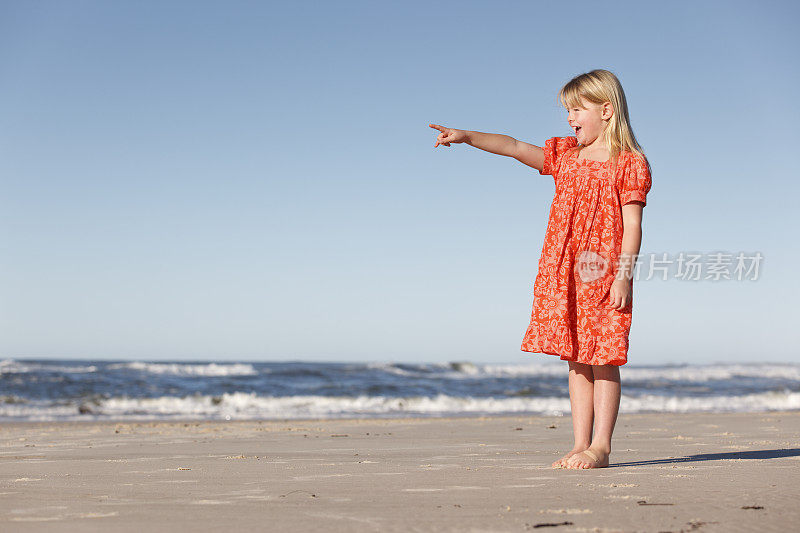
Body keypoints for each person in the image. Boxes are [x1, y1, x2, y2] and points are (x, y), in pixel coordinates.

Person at [428, 69, 652, 470]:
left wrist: (624, 275)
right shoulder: (565, 155)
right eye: (567, 110)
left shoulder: (628, 162)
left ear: (606, 109)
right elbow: (514, 146)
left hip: (602, 272)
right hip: (561, 268)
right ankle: (580, 442)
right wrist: (468, 137)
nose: (569, 118)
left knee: (604, 358)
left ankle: (601, 447)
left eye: (576, 109)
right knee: (575, 359)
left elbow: (633, 225)